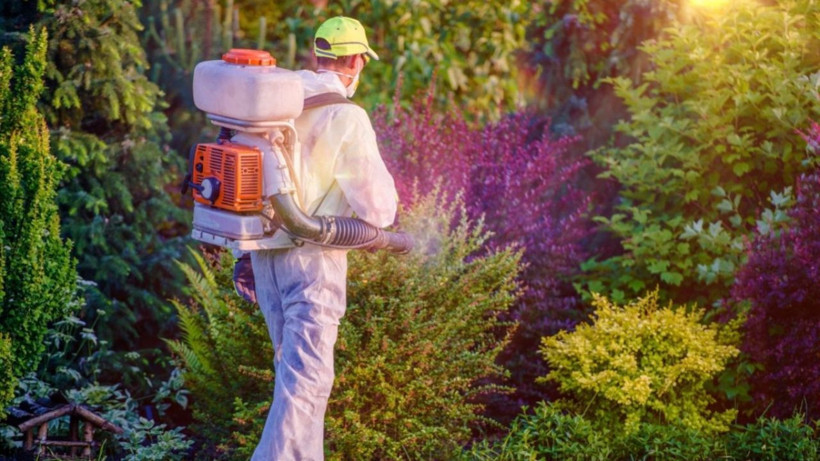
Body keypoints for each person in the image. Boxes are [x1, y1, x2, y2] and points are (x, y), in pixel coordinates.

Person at [250, 16, 398, 461]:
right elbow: (379, 209)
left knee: (294, 380)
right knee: (306, 386)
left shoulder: (278, 98)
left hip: (263, 256)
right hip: (313, 261)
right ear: (355, 60)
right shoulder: (347, 115)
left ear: (318, 56)